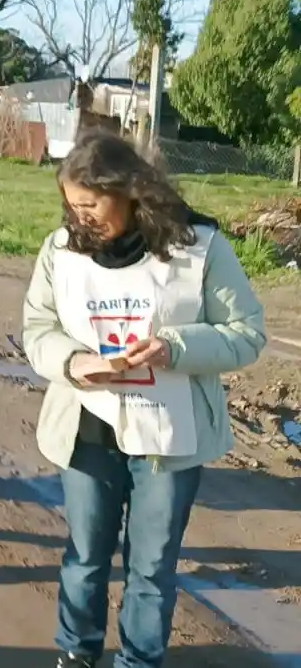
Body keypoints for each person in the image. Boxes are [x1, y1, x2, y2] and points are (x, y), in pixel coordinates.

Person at [21, 130, 266, 668]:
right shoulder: (60, 251)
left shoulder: (198, 247)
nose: (78, 218)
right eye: (71, 206)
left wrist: (174, 348)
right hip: (88, 430)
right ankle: (76, 654)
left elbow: (246, 332)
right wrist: (74, 362)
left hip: (168, 437)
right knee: (85, 556)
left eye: (89, 205)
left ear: (129, 191)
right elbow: (37, 328)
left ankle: (138, 661)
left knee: (151, 568)